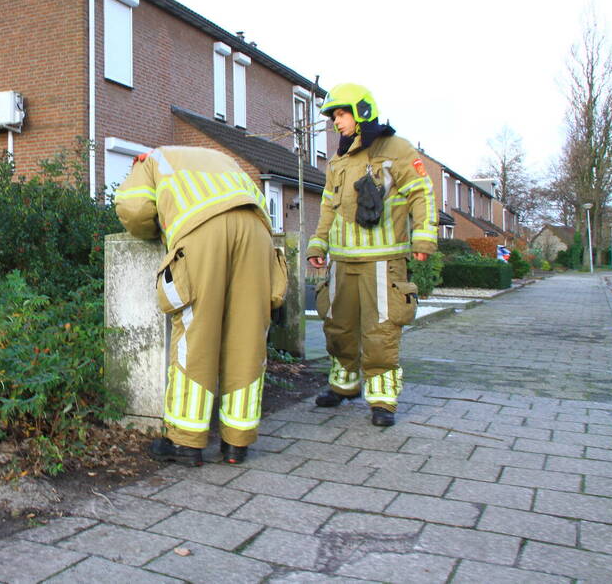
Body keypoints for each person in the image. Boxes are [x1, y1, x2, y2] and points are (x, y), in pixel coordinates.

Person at [115, 146, 287, 466]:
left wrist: (160, 230)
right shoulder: (225, 159)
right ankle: (237, 442)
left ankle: (185, 441)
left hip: (202, 232)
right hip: (257, 233)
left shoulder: (151, 160)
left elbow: (134, 208)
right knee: (247, 337)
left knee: (196, 335)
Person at [306, 83, 437, 426]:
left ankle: (382, 401)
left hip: (384, 260)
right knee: (338, 327)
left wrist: (424, 239)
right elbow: (328, 206)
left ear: (362, 111)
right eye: (334, 116)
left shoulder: (398, 149)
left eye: (342, 113)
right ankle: (343, 385)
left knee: (380, 332)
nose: (337, 122)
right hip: (342, 261)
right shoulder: (338, 160)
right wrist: (318, 244)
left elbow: (422, 193)